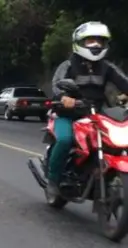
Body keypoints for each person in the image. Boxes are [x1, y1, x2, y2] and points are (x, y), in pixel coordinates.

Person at [47, 21, 128, 196]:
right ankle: (53, 180)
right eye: (91, 40)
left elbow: (125, 83)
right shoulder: (68, 65)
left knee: (117, 142)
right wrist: (64, 98)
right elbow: (56, 85)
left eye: (100, 41)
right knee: (64, 140)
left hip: (97, 115)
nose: (96, 45)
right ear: (79, 42)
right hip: (68, 114)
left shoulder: (107, 67)